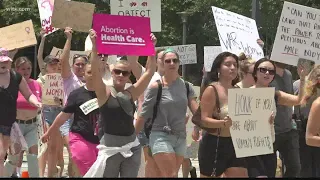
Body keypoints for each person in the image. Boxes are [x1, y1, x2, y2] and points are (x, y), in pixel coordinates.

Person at [85, 29, 156, 178]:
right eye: (117, 71)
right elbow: (95, 73)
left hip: (132, 147)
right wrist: (94, 46)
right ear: (112, 72)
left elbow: (149, 72)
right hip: (110, 148)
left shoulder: (132, 92)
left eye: (125, 73)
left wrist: (151, 47)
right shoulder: (104, 92)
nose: (121, 75)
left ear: (129, 75)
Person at [139, 48, 198, 177]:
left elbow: (197, 112)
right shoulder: (156, 86)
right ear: (162, 64)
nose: (172, 63)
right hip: (160, 135)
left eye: (175, 60)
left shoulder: (187, 86)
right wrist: (132, 135)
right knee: (171, 174)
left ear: (179, 63)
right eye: (168, 61)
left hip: (180, 137)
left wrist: (199, 127)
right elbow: (143, 114)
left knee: (167, 174)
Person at [41, 62, 101, 176]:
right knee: (89, 173)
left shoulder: (105, 93)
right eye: (89, 72)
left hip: (100, 140)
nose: (92, 75)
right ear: (84, 73)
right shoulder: (76, 94)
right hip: (81, 138)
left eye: (95, 72)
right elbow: (63, 115)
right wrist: (49, 132)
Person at [250, 58, 305, 177]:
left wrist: (303, 79)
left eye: (271, 71)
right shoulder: (244, 95)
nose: (267, 73)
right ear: (255, 73)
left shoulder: (275, 94)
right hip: (257, 144)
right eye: (263, 70)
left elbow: (298, 100)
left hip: (275, 136)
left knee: (292, 168)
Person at [198, 52, 247, 178]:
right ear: (219, 68)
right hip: (214, 145)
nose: (232, 68)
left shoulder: (238, 91)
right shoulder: (211, 89)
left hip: (235, 144)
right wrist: (223, 123)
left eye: (235, 65)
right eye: (228, 64)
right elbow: (204, 120)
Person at [0, 48, 41, 177]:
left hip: (10, 125)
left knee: (11, 157)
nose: (4, 64)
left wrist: (36, 102)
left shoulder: (16, 77)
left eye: (6, 61)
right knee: (1, 155)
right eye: (1, 61)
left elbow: (29, 94)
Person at [270, 61, 302, 177]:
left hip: (288, 129)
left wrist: (302, 78)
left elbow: (295, 99)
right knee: (270, 169)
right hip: (271, 131)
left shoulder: (288, 74)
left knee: (295, 168)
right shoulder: (268, 74)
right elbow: (287, 99)